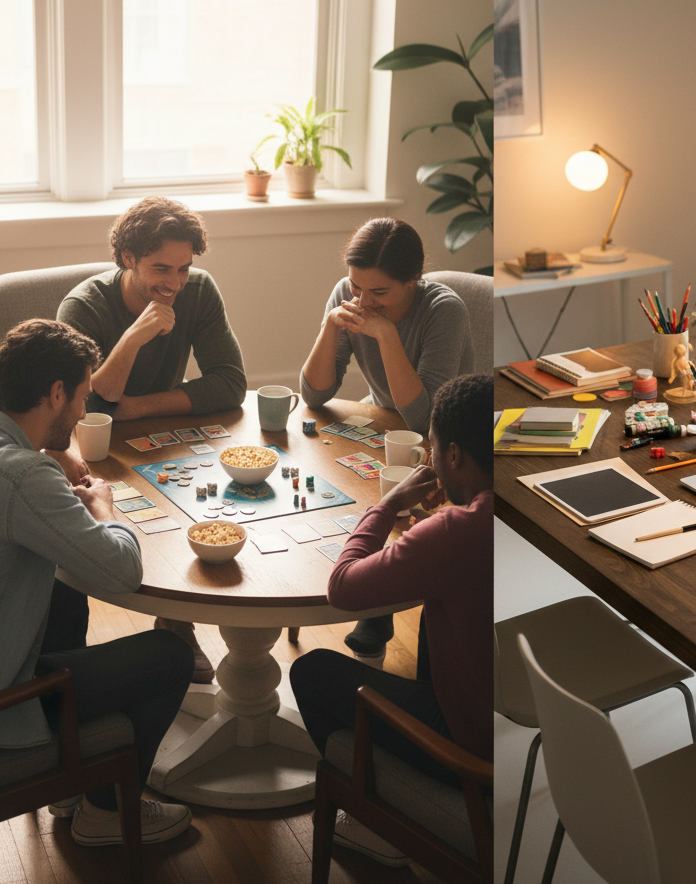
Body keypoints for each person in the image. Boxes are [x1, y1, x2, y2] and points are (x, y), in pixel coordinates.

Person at [0, 319, 195, 847]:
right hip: (6, 708)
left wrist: (46, 454)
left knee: (63, 597)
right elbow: (122, 569)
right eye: (83, 397)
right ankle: (106, 811)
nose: (85, 412)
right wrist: (105, 510)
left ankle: (73, 781)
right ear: (57, 392)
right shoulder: (22, 477)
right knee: (170, 655)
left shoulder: (15, 458)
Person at [289, 373, 492, 868]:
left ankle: (377, 819)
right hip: (524, 731)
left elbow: (343, 587)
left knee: (310, 671)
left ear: (455, 456)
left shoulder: (456, 531)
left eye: (434, 448)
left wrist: (388, 504)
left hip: (471, 748)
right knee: (430, 622)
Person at [53, 195, 248, 683]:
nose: (175, 283)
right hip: (92, 446)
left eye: (184, 268)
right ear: (127, 259)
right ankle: (161, 628)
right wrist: (135, 337)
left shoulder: (198, 291)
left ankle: (202, 619)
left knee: (212, 503)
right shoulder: (82, 307)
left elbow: (230, 382)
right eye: (162, 268)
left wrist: (138, 407)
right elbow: (89, 408)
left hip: (164, 437)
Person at [300, 217, 475, 661]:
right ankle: (351, 584)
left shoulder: (443, 310)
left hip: (448, 437)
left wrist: (386, 336)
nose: (362, 300)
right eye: (357, 287)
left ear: (413, 280)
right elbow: (316, 394)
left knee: (389, 492)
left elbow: (425, 417)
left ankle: (375, 608)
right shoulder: (348, 294)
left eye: (379, 292)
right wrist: (329, 328)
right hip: (380, 421)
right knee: (328, 473)